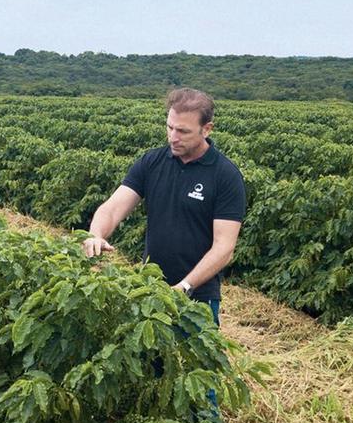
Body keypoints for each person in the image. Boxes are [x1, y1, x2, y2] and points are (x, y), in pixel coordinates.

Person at [83, 87, 246, 326]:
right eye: (170, 127)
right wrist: (96, 235)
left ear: (207, 129)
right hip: (149, 290)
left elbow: (224, 247)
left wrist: (184, 287)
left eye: (183, 131)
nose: (173, 137)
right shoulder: (152, 161)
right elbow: (112, 208)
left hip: (196, 298)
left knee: (193, 362)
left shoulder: (225, 175)